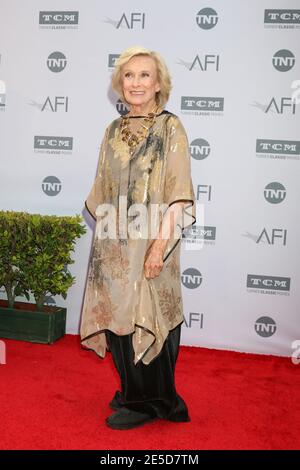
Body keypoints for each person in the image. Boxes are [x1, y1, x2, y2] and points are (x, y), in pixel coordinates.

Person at [80, 46, 196, 430]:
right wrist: (108, 245)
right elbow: (101, 190)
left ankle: (154, 401)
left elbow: (179, 192)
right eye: (129, 76)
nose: (136, 83)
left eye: (144, 75)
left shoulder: (170, 127)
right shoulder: (112, 130)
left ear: (158, 83)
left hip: (153, 239)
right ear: (120, 84)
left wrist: (159, 246)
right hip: (114, 243)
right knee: (118, 319)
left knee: (150, 315)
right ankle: (133, 391)